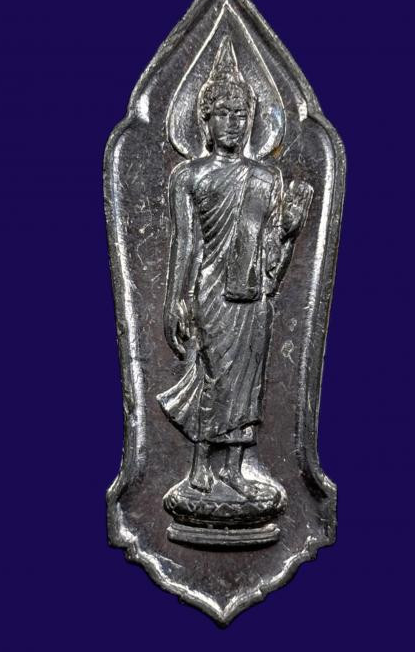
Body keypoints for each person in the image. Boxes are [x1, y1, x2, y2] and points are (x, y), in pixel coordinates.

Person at [157, 35, 312, 500]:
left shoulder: (266, 177)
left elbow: (272, 262)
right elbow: (185, 243)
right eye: (223, 114)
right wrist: (175, 299)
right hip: (211, 290)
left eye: (241, 114)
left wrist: (287, 231)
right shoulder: (189, 176)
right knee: (215, 373)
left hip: (252, 296)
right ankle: (201, 464)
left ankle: (235, 469)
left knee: (248, 381)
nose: (233, 123)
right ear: (205, 120)